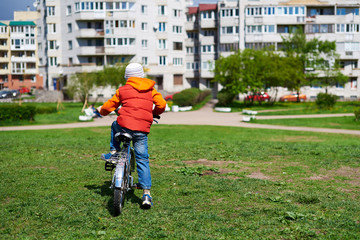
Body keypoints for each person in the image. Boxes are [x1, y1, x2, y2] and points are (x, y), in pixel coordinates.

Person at [97, 63, 166, 209]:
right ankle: (146, 194)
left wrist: (101, 111)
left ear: (127, 77)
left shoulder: (122, 90)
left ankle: (114, 152)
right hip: (142, 130)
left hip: (124, 125)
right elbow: (162, 104)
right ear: (142, 75)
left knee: (115, 125)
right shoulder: (151, 90)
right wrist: (154, 113)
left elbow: (109, 106)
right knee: (142, 159)